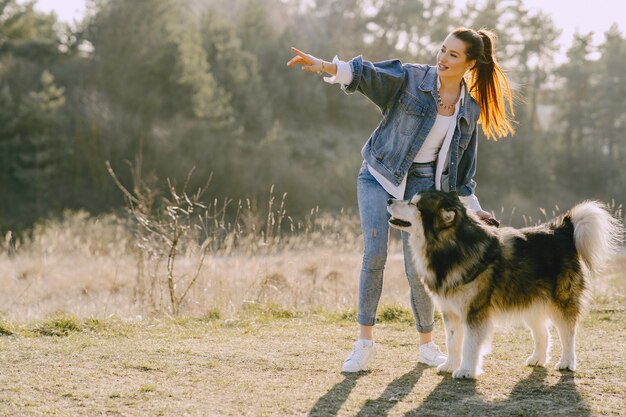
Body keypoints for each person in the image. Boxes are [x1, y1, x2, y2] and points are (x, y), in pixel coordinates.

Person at [287, 27, 515, 372]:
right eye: (442, 50)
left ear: (470, 63)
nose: (442, 58)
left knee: (419, 267)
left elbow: (463, 174)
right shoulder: (412, 79)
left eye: (453, 55)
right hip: (379, 173)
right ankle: (364, 344)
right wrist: (324, 65)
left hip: (422, 187)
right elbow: (367, 75)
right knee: (375, 252)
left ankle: (427, 345)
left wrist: (475, 211)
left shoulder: (469, 109)